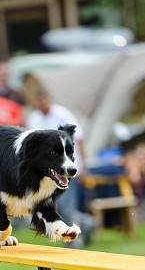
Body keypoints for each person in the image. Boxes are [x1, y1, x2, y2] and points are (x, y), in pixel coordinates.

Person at [26, 91, 95, 245]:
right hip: (50, 173)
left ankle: (72, 241)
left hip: (69, 169)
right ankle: (87, 223)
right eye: (38, 100)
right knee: (59, 207)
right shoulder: (34, 118)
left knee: (65, 206)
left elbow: (80, 139)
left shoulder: (62, 114)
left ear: (48, 98)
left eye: (43, 99)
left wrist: (84, 166)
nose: (41, 103)